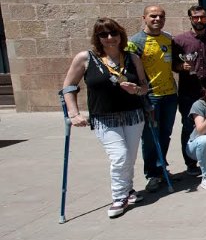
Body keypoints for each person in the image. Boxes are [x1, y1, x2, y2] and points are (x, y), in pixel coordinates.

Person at [62, 18, 150, 218]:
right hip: (104, 118)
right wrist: (73, 113)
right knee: (119, 156)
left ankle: (128, 190)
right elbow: (68, 86)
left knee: (130, 156)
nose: (110, 38)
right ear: (97, 38)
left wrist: (136, 89)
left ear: (121, 35)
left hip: (133, 115)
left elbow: (145, 87)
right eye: (104, 34)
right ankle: (119, 197)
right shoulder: (86, 58)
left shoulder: (132, 58)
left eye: (113, 33)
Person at [128, 5, 180, 193]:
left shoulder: (168, 39)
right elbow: (131, 72)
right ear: (144, 17)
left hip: (169, 95)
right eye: (153, 16)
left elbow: (174, 65)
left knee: (165, 134)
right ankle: (152, 174)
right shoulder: (135, 42)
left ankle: (161, 168)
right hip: (151, 97)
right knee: (150, 137)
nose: (157, 19)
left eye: (161, 16)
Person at [173, 5, 206, 177]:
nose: (199, 20)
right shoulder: (179, 41)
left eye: (202, 17)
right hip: (189, 93)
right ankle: (191, 163)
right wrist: (181, 66)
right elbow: (172, 65)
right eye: (195, 17)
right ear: (190, 19)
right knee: (189, 126)